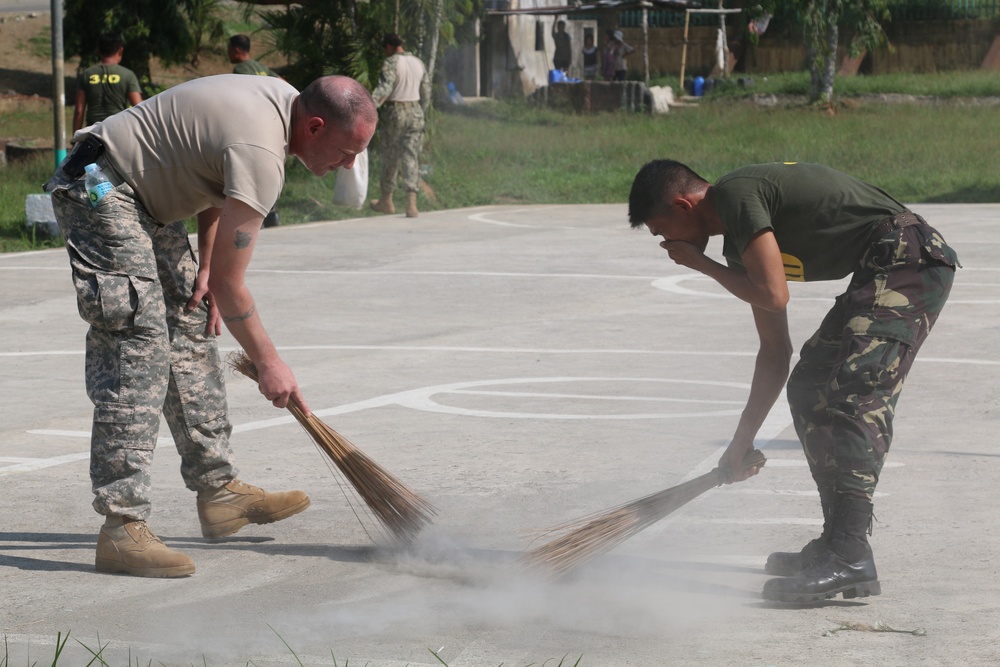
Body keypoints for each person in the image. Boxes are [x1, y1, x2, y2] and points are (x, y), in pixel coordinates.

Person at [44, 75, 378, 578]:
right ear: (314, 126)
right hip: (99, 183)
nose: (348, 164)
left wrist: (204, 266)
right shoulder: (262, 149)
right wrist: (269, 362)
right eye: (347, 151)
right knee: (138, 340)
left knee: (191, 321)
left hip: (144, 200)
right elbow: (232, 283)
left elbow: (217, 179)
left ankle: (218, 491)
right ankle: (121, 526)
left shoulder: (280, 103)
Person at [627, 160, 958, 603]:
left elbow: (773, 293)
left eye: (660, 230)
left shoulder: (736, 195)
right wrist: (740, 443)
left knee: (855, 390)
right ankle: (836, 544)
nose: (665, 243)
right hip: (880, 266)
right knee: (810, 385)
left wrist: (701, 264)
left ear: (683, 205)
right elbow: (774, 353)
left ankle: (849, 552)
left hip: (908, 257)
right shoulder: (737, 245)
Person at [369, 33, 431, 219]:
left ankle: (386, 201)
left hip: (396, 111)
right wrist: (420, 110)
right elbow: (426, 91)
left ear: (388, 47)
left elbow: (385, 89)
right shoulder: (418, 62)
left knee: (391, 156)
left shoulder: (391, 62)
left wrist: (368, 107)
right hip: (416, 111)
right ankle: (411, 205)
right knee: (411, 156)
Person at [228, 33, 283, 228]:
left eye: (229, 50)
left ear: (236, 49)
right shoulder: (262, 68)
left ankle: (254, 215)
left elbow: (241, 96)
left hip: (253, 124)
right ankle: (273, 213)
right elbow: (283, 82)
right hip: (273, 122)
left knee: (251, 168)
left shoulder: (240, 69)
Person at [72, 33, 143, 133]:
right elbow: (139, 107)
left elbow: (79, 111)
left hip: (93, 134)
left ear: (99, 51)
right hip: (118, 132)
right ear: (120, 50)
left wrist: (76, 139)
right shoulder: (127, 75)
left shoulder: (86, 75)